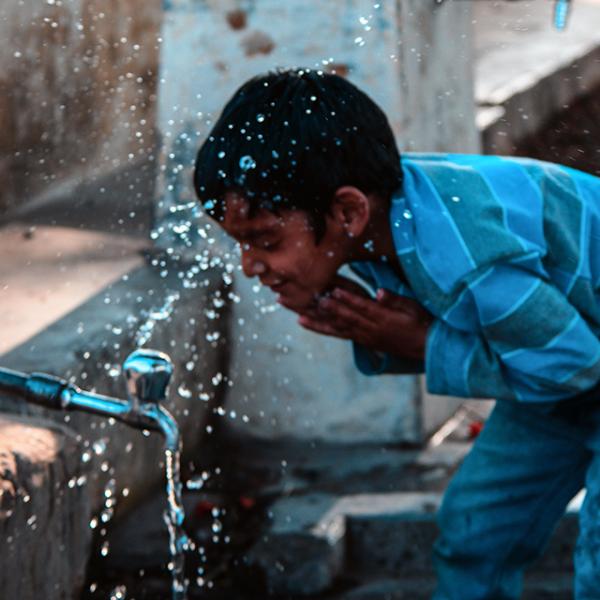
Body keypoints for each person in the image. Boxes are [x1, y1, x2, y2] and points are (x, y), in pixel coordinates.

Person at [194, 67, 600, 599]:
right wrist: (390, 331)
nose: (250, 265)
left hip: (573, 365)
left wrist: (422, 344)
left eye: (266, 240)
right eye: (240, 243)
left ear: (348, 211)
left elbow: (573, 366)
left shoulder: (466, 253)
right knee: (475, 530)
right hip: (566, 375)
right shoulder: (388, 215)